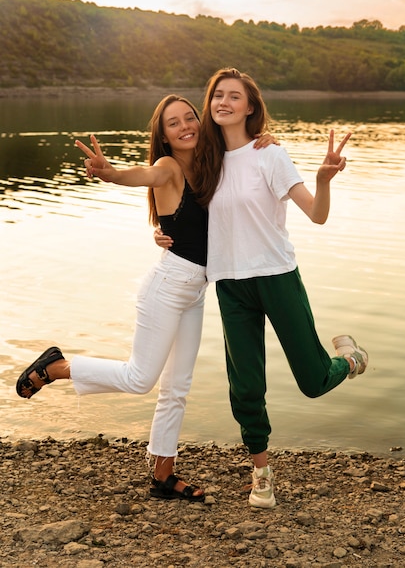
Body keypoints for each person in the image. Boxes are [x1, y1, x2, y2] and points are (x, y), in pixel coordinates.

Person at [16, 93, 275, 502]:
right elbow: (143, 175)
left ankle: (163, 475)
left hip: (195, 291)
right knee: (140, 379)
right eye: (174, 123)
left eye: (190, 117)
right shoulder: (168, 167)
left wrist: (264, 139)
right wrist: (111, 173)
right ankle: (57, 366)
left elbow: (239, 168)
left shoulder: (212, 165)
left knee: (178, 387)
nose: (185, 126)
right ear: (164, 135)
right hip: (168, 286)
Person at [156, 68, 368, 509]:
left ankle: (348, 359)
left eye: (234, 96)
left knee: (312, 381)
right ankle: (261, 474)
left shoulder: (270, 154)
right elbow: (179, 206)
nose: (223, 102)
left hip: (276, 276)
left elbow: (317, 215)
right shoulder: (204, 161)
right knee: (246, 387)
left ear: (250, 107)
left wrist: (324, 180)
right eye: (217, 95)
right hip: (230, 284)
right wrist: (161, 233)